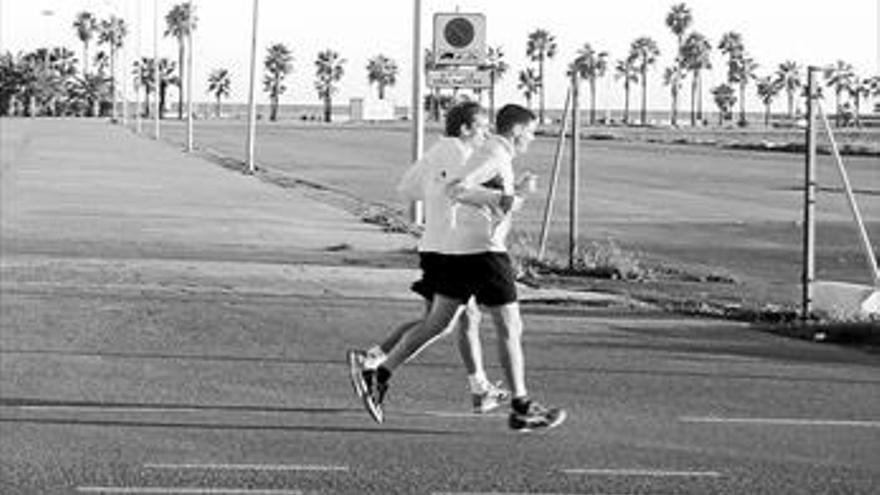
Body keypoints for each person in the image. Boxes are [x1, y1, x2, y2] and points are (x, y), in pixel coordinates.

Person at [351, 104, 566, 432]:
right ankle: (521, 406)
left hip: (458, 249)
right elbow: (458, 189)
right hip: (483, 253)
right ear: (517, 131)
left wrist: (514, 193)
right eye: (532, 133)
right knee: (510, 326)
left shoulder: (492, 154)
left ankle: (378, 375)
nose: (533, 139)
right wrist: (504, 200)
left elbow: (471, 193)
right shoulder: (494, 153)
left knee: (437, 324)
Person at [347, 101, 510, 423]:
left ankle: (480, 390)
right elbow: (465, 192)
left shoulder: (436, 153)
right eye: (482, 128)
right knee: (443, 322)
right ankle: (374, 361)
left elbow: (407, 189)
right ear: (465, 129)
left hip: (433, 245)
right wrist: (505, 196)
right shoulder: (466, 156)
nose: (486, 134)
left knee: (459, 318)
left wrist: (434, 192)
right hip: (453, 248)